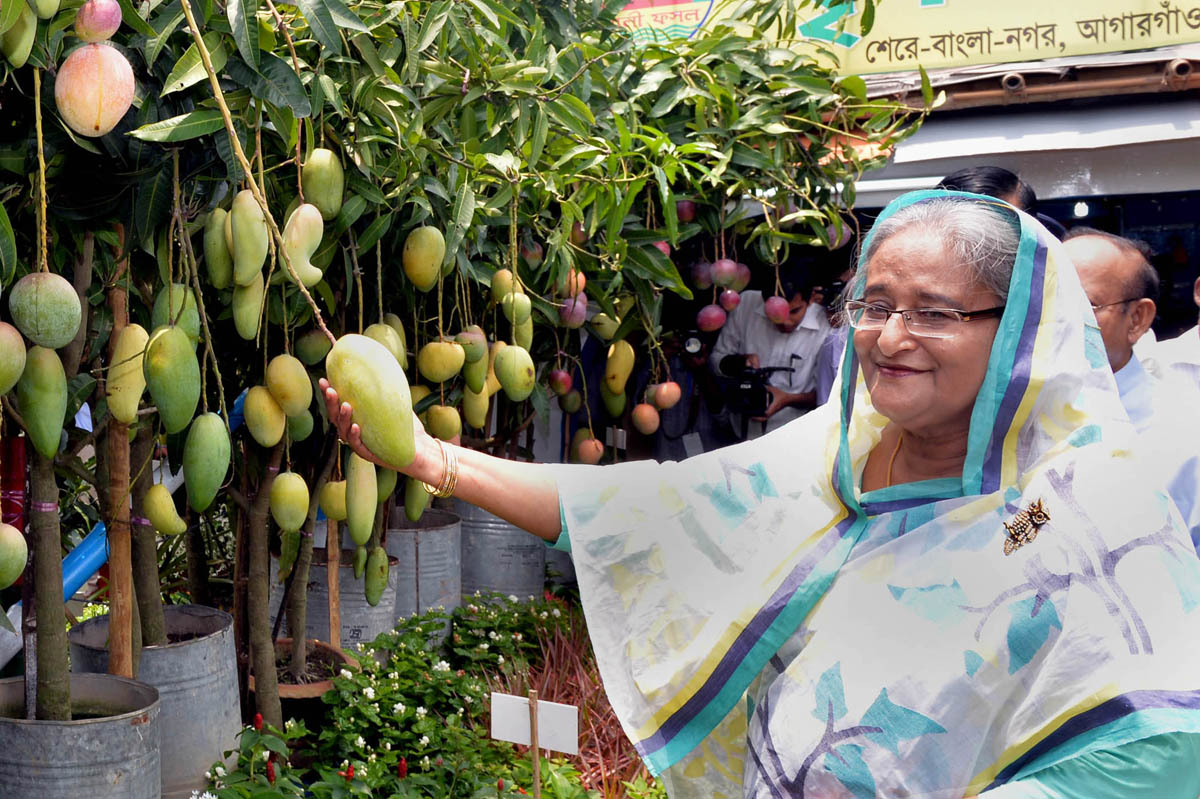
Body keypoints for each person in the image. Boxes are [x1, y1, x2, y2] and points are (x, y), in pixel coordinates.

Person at [323, 191, 1200, 798]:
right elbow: (646, 511)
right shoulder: (836, 451)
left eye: (935, 311)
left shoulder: (1078, 504)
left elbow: (1157, 747)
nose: (891, 337)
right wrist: (433, 458)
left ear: (1016, 334)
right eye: (873, 303)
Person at [1064, 229, 1200, 552]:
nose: (1054, 319)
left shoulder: (1185, 435)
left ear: (1137, 319)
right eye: (1041, 301)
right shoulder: (997, 420)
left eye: (1083, 304)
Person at [708, 268, 831, 437]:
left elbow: (830, 394)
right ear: (762, 300)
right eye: (775, 314)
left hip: (794, 439)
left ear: (811, 299)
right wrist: (738, 363)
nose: (785, 322)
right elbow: (715, 361)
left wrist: (787, 399)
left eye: (794, 311)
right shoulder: (746, 304)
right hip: (738, 434)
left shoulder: (827, 322)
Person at [1062, 229, 1159, 426]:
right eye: (1047, 300)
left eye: (1085, 305)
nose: (1057, 316)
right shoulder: (1017, 410)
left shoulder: (1181, 429)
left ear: (1137, 319)